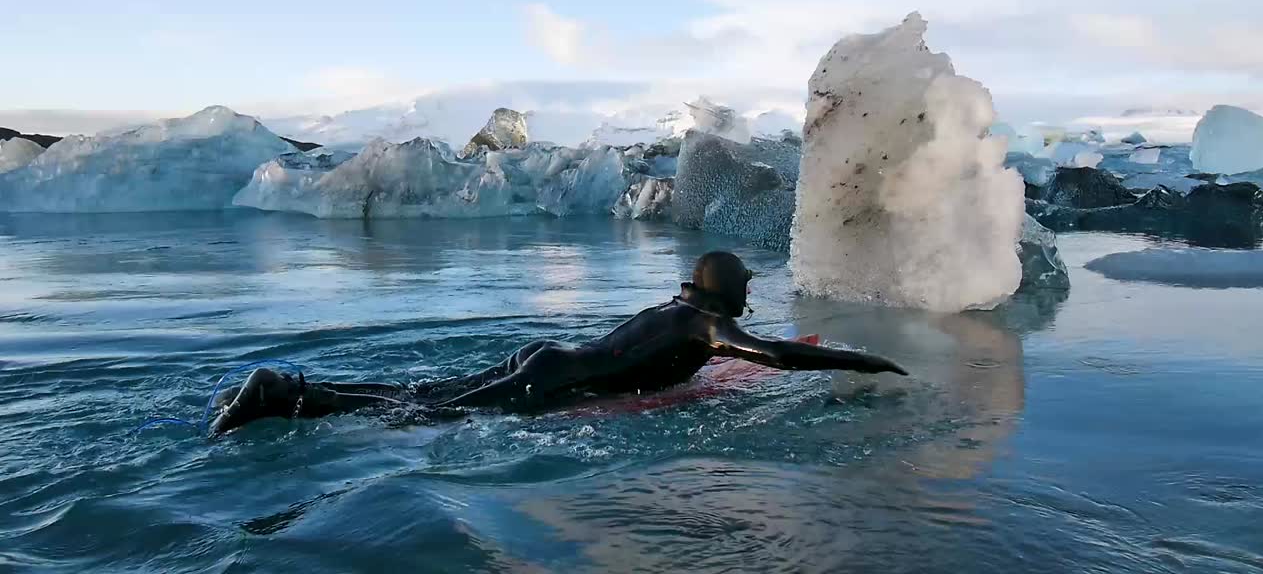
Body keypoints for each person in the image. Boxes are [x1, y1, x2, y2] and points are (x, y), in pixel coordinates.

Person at [210, 251, 908, 434]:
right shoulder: (709, 326)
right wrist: (859, 358)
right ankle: (287, 396)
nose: (750, 299)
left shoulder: (672, 308)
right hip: (553, 383)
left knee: (424, 395)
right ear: (728, 289)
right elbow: (777, 356)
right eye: (746, 288)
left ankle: (299, 392)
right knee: (430, 415)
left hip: (545, 359)